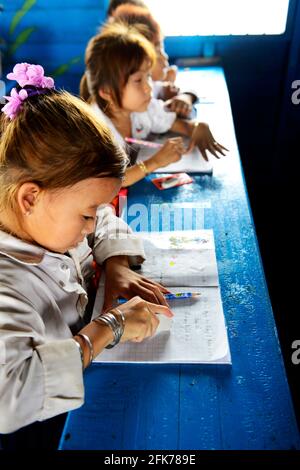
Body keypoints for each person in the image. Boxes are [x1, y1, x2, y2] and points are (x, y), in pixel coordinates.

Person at [0, 63, 173, 448]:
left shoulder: (46, 217)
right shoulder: (6, 283)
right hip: (45, 432)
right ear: (30, 197)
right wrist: (106, 328)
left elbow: (106, 217)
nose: (92, 222)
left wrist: (116, 264)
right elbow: (8, 399)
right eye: (85, 214)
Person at [80, 23, 228, 186]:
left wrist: (197, 127)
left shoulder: (142, 108)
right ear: (107, 91)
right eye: (138, 80)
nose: (148, 87)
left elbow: (178, 124)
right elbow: (111, 182)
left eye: (148, 76)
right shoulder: (96, 130)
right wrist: (155, 162)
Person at [110, 3, 197, 118]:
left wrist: (185, 97)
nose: (165, 57)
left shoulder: (151, 85)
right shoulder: (134, 100)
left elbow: (183, 92)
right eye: (158, 51)